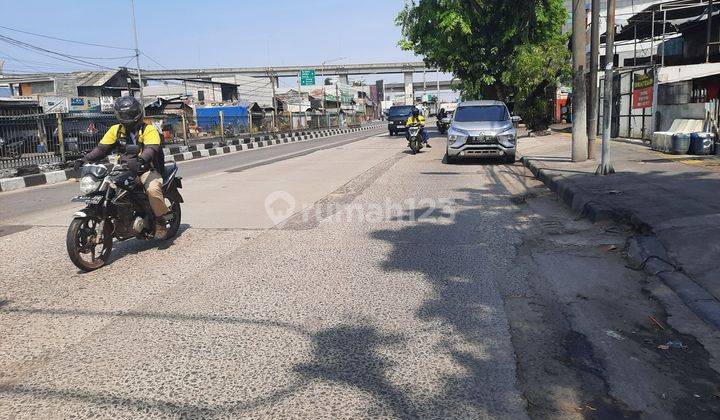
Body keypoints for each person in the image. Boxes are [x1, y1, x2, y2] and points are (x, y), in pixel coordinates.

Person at [75, 96, 173, 238]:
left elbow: (151, 149)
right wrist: (85, 159)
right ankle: (121, 219)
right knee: (109, 191)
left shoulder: (149, 130)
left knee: (152, 190)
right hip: (124, 169)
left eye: (130, 114)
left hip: (146, 169)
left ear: (137, 113)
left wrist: (142, 160)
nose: (127, 117)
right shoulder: (115, 130)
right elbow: (102, 149)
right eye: (123, 114)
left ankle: (160, 221)